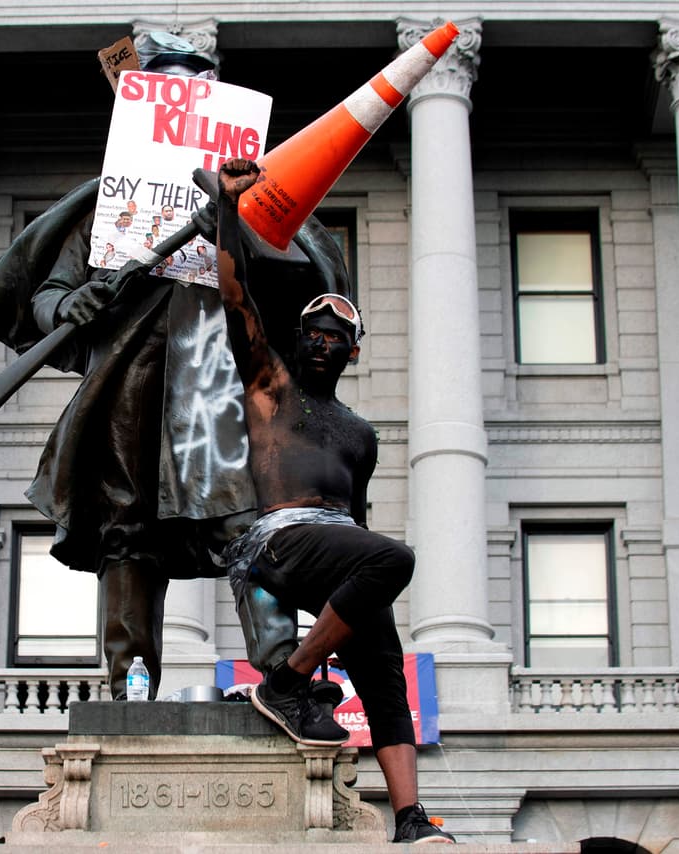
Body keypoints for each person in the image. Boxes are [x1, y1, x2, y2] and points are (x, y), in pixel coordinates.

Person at [0, 35, 353, 700]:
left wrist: (231, 221)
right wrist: (73, 300)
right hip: (126, 383)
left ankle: (282, 671)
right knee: (128, 533)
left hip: (216, 376)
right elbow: (44, 298)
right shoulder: (109, 201)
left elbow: (304, 281)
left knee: (251, 518)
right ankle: (130, 685)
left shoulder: (251, 197)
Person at [215, 158, 455, 846]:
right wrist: (229, 207)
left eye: (336, 339)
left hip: (338, 550)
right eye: (313, 333)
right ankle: (288, 683)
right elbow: (235, 296)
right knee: (396, 559)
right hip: (277, 540)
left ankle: (411, 818)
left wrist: (354, 600)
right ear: (298, 337)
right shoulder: (269, 385)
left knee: (384, 676)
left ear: (353, 352)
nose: (322, 344)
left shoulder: (360, 432)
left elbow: (358, 520)